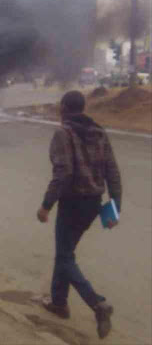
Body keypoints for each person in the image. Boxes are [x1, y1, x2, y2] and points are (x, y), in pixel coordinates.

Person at [37, 90, 122, 340]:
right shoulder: (99, 132)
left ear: (63, 108)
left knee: (64, 256)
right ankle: (59, 303)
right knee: (65, 253)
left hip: (72, 203)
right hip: (92, 206)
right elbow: (113, 172)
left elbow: (63, 173)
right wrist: (115, 207)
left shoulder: (63, 133)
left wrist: (46, 205)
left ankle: (97, 304)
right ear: (83, 108)